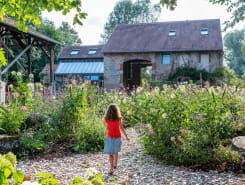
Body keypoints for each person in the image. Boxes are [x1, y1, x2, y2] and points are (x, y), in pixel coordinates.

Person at [103, 104, 130, 175]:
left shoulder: (106, 118)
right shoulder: (119, 118)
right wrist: (126, 136)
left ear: (108, 111)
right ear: (117, 111)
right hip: (117, 137)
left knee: (110, 153)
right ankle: (115, 164)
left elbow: (105, 125)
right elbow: (121, 127)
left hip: (109, 137)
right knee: (115, 151)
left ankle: (111, 167)